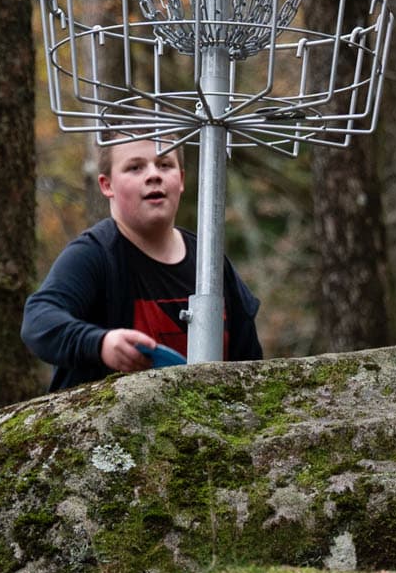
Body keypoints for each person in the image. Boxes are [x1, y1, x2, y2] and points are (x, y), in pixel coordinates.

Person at [21, 137, 262, 389]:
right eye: (135, 167)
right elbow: (38, 320)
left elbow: (251, 372)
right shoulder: (93, 255)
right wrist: (101, 344)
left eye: (164, 164)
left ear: (181, 179)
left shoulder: (212, 266)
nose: (153, 175)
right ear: (107, 185)